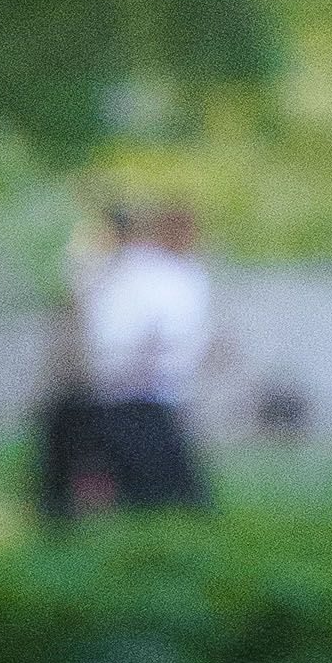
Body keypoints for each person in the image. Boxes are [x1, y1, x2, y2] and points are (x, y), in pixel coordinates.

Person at [78, 194, 217, 511]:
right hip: (139, 384)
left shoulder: (171, 270)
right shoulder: (152, 270)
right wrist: (140, 369)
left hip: (152, 384)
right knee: (151, 471)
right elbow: (150, 327)